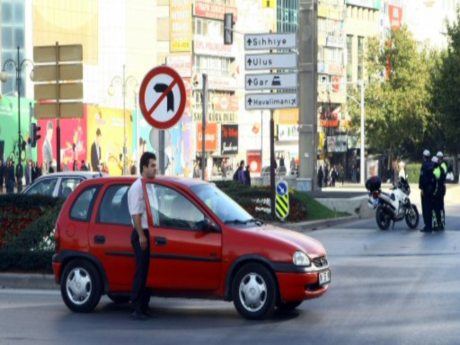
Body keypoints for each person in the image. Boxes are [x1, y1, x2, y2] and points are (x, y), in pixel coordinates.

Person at [127, 151, 157, 320]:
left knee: (147, 272)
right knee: (141, 271)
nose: (155, 169)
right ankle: (136, 306)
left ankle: (144, 305)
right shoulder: (137, 187)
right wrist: (141, 236)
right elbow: (136, 214)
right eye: (152, 166)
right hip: (141, 232)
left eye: (155, 166)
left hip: (149, 232)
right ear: (144, 167)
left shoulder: (149, 186)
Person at [419, 150, 435, 232]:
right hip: (432, 188)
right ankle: (431, 225)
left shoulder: (424, 166)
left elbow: (422, 178)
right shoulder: (433, 164)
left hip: (425, 189)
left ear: (424, 157)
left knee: (425, 208)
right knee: (430, 207)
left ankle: (427, 226)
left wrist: (421, 188)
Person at [436, 151, 448, 229]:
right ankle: (441, 221)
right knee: (441, 205)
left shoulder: (442, 166)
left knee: (440, 205)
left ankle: (441, 221)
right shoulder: (442, 165)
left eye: (438, 158)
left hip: (440, 187)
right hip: (442, 187)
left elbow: (439, 175)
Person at [432, 156, 443, 230]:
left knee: (434, 210)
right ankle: (441, 224)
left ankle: (436, 224)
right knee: (440, 209)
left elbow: (435, 183)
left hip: (436, 193)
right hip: (441, 192)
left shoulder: (435, 170)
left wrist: (433, 193)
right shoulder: (441, 169)